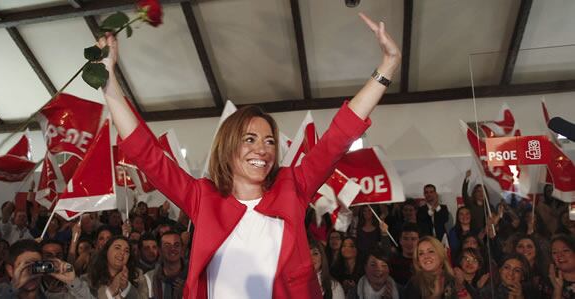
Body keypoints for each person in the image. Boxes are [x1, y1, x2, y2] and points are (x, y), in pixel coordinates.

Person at [101, 10, 399, 299]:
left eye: (270, 141)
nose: (263, 149)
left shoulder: (292, 186)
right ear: (229, 147)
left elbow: (338, 137)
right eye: (250, 139)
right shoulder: (202, 198)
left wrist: (388, 66)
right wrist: (108, 80)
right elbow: (146, 153)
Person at [0, 239, 91, 298]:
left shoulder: (50, 296)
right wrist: (14, 288)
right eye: (26, 266)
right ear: (10, 270)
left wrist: (73, 282)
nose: (31, 272)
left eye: (36, 265)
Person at [403, 236, 471, 299]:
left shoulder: (454, 278)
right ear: (418, 261)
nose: (426, 256)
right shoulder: (414, 284)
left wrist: (460, 287)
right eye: (421, 253)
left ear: (441, 255)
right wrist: (436, 295)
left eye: (431, 251)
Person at [145, 231, 188, 299]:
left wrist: (187, 295)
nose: (172, 249)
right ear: (160, 250)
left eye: (176, 245)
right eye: (167, 245)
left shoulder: (192, 277)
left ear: (182, 248)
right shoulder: (149, 278)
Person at [386, 223, 420, 287]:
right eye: (405, 239)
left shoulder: (424, 263)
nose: (409, 243)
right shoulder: (393, 263)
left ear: (419, 241)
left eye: (413, 239)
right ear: (400, 240)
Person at [544, 234, 575, 298]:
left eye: (565, 250)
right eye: (555, 252)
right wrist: (557, 290)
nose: (560, 255)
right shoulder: (546, 285)